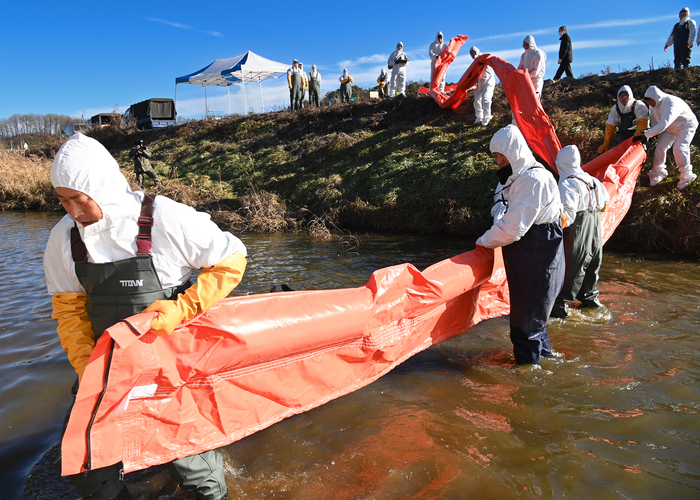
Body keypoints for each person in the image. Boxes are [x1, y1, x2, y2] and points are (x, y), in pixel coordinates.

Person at [44, 133, 247, 500]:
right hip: (104, 368)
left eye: (78, 199)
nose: (72, 211)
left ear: (101, 188)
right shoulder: (64, 237)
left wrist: (183, 307)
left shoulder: (165, 219)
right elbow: (68, 307)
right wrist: (84, 365)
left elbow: (231, 260)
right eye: (63, 201)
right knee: (84, 462)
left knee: (194, 467)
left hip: (166, 363)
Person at [476, 125, 564, 366]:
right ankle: (544, 360)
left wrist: (482, 241)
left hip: (538, 254)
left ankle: (529, 375)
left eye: (500, 155)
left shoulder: (533, 179)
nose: (497, 161)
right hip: (527, 255)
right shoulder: (513, 176)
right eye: (494, 156)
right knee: (532, 319)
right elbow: (500, 206)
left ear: (514, 152)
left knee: (525, 326)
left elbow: (513, 229)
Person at [550, 145, 610, 318]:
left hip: (578, 232)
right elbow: (605, 203)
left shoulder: (568, 184)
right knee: (591, 270)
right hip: (596, 230)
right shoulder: (594, 181)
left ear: (561, 164)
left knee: (570, 271)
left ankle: (559, 314)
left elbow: (566, 216)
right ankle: (593, 307)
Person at [634, 86, 698, 190]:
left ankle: (687, 175)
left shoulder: (671, 103)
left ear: (657, 98)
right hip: (671, 128)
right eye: (648, 102)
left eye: (651, 101)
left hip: (686, 125)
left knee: (679, 147)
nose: (650, 104)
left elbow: (664, 123)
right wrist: (652, 134)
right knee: (660, 147)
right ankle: (659, 172)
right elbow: (654, 120)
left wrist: (645, 135)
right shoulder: (653, 105)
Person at [597, 85, 649, 153]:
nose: (624, 97)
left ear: (630, 96)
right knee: (622, 151)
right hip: (625, 133)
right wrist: (606, 143)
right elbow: (610, 126)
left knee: (638, 150)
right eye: (621, 95)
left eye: (626, 95)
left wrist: (637, 135)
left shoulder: (638, 105)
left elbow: (643, 123)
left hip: (639, 132)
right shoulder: (616, 108)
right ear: (618, 97)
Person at [469, 46, 495, 126]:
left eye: (474, 53)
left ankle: (487, 117)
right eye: (471, 54)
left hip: (488, 82)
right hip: (479, 83)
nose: (473, 55)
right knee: (477, 101)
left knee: (486, 98)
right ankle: (479, 117)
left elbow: (491, 61)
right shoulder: (474, 64)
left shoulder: (484, 59)